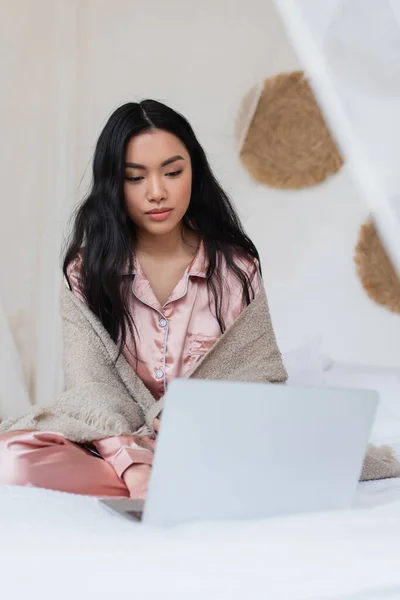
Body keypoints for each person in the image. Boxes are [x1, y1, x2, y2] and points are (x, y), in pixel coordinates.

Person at [0, 99, 277, 499]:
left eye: (173, 172)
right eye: (135, 177)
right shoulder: (85, 271)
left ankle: (187, 477)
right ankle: (170, 482)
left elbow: (258, 378)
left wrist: (197, 420)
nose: (157, 192)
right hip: (110, 445)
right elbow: (91, 388)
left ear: (194, 174)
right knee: (14, 458)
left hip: (212, 442)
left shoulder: (236, 268)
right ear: (114, 184)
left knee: (301, 452)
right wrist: (135, 468)